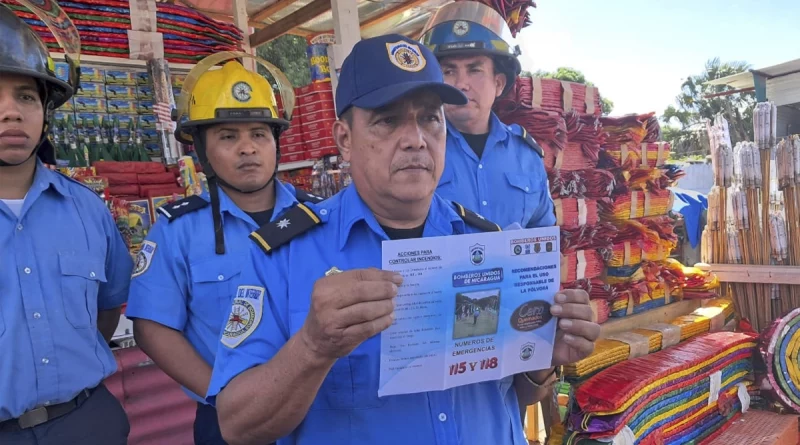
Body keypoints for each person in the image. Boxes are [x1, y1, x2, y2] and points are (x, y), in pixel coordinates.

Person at [205, 34, 600, 445]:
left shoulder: (488, 246)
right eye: (388, 120)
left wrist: (542, 357)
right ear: (344, 139)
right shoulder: (282, 255)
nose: (415, 139)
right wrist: (312, 347)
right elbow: (237, 427)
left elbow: (515, 393)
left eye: (430, 118)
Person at [125, 59, 322, 445]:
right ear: (202, 150)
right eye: (228, 136)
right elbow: (152, 326)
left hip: (321, 411)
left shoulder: (318, 217)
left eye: (260, 134)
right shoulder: (175, 231)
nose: (247, 148)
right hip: (228, 421)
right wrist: (221, 394)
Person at [420, 0, 566, 424]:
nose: (461, 82)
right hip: (436, 341)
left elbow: (545, 248)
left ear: (499, 81)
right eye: (448, 70)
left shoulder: (527, 158)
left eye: (475, 69)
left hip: (511, 343)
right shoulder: (417, 151)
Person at [0, 5, 132, 444]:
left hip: (86, 420)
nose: (11, 112)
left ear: (45, 111)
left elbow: (109, 306)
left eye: (26, 96)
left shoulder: (88, 209)